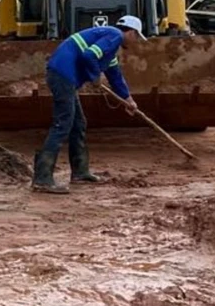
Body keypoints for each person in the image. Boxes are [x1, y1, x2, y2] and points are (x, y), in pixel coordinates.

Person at [33, 17, 142, 194]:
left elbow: (115, 75)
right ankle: (42, 178)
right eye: (137, 37)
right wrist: (95, 75)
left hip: (64, 77)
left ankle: (80, 172)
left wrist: (128, 99)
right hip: (62, 75)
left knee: (78, 123)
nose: (136, 42)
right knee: (63, 124)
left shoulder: (110, 48)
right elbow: (89, 55)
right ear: (130, 32)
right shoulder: (115, 35)